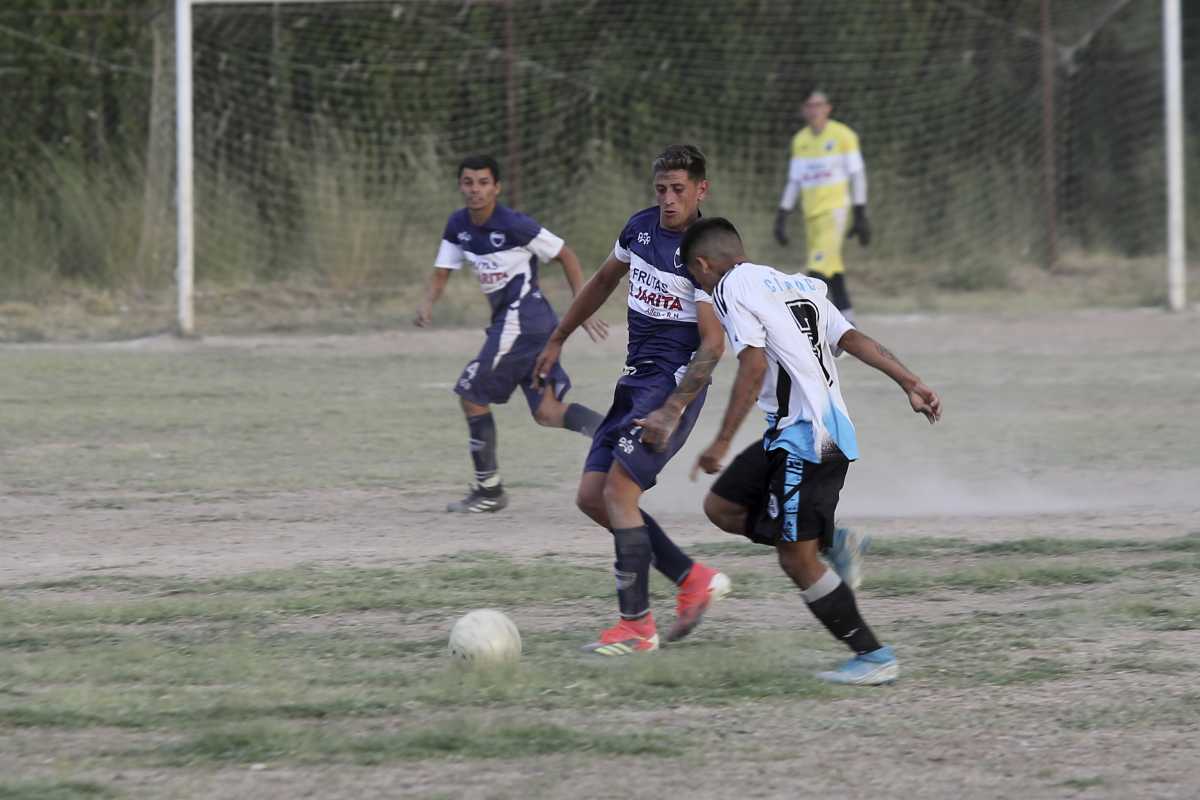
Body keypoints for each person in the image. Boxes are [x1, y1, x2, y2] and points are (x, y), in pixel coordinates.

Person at [681, 216, 941, 686]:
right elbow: (852, 338)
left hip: (809, 439)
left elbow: (753, 364)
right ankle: (832, 541)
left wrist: (720, 440)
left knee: (794, 559)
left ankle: (873, 655)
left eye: (695, 279)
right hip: (795, 434)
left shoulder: (728, 287)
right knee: (721, 507)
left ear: (703, 266)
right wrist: (911, 381)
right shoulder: (798, 284)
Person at [532, 144, 731, 656]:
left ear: (701, 190)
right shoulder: (639, 229)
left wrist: (673, 407)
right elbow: (601, 281)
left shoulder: (706, 252)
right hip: (633, 383)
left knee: (619, 495)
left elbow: (713, 345)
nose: (668, 200)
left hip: (670, 389)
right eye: (661, 189)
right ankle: (691, 578)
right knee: (592, 497)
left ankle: (637, 626)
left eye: (679, 190)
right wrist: (557, 338)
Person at [416, 155, 607, 514]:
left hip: (523, 323)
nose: (476, 189)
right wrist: (427, 303)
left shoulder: (515, 225)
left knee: (471, 394)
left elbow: (566, 254)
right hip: (524, 326)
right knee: (548, 412)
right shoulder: (458, 225)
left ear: (496, 188)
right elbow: (443, 270)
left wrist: (583, 306)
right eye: (469, 182)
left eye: (483, 182)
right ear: (461, 186)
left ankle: (488, 490)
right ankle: (617, 437)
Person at [773, 89, 870, 324]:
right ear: (804, 110)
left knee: (815, 269)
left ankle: (803, 323)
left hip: (835, 211)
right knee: (832, 269)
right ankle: (849, 325)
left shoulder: (843, 136)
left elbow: (857, 175)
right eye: (809, 105)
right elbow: (795, 181)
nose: (814, 110)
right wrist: (782, 214)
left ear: (828, 108)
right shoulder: (800, 141)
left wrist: (860, 213)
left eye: (819, 105)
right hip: (812, 215)